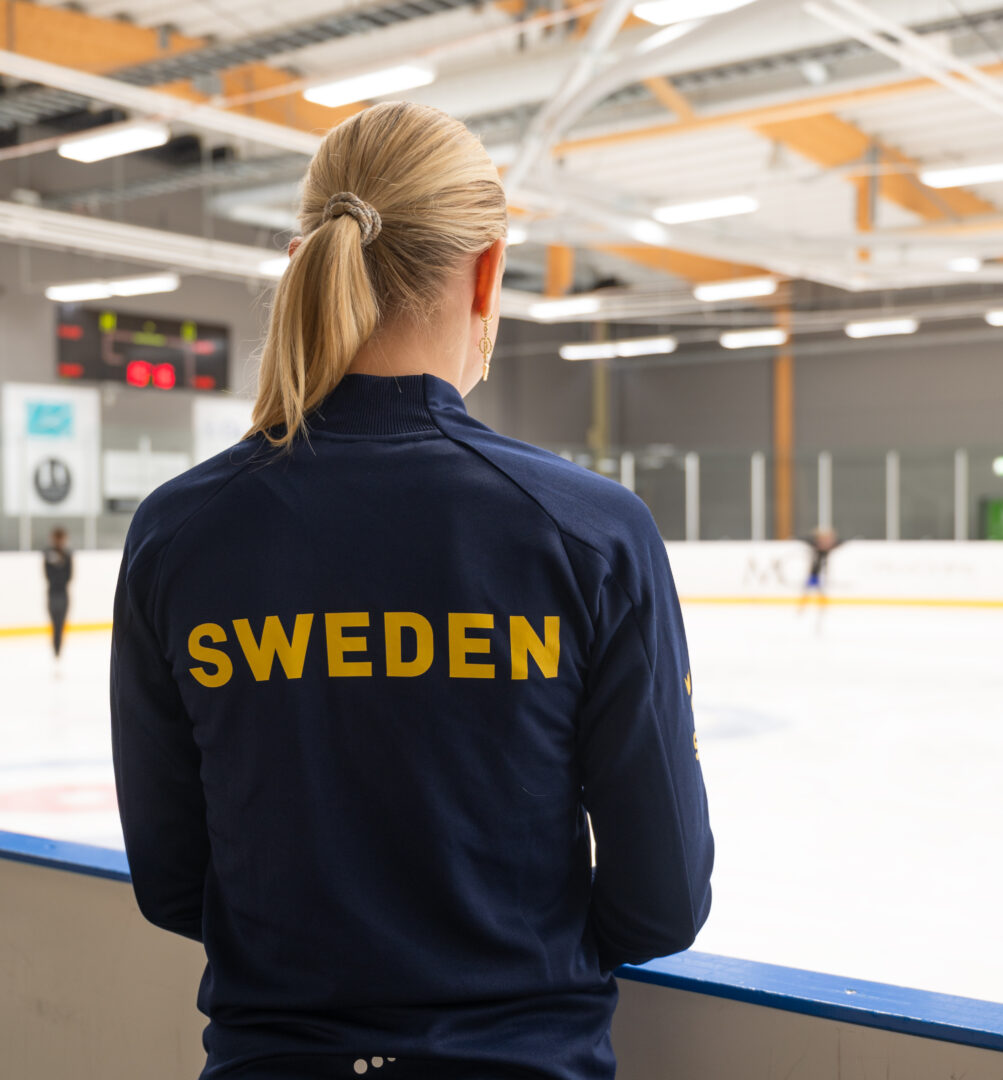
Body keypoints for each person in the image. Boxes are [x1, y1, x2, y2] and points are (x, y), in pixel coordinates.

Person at [111, 102, 713, 1080]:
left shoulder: (178, 535)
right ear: (486, 272)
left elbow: (176, 883)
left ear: (308, 254)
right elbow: (661, 900)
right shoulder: (589, 532)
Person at [43, 526, 73, 660]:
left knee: (61, 623)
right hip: (52, 593)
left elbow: (69, 576)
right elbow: (48, 575)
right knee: (55, 623)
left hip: (63, 594)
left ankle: (58, 649)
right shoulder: (48, 554)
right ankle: (56, 648)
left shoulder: (67, 555)